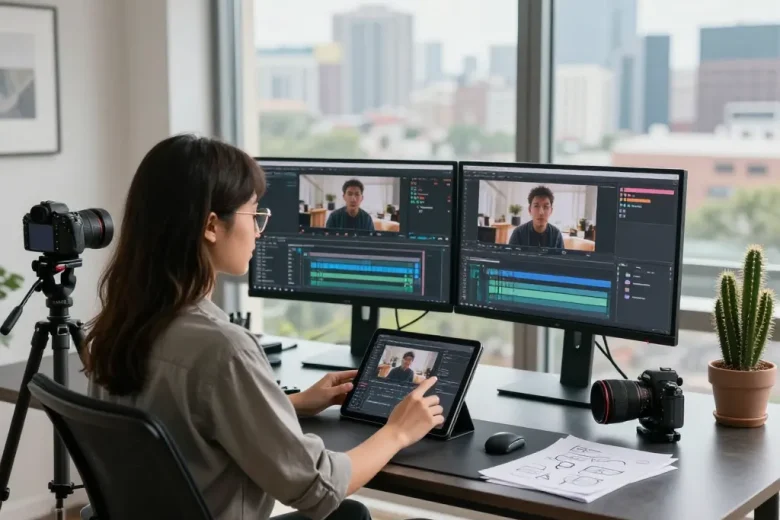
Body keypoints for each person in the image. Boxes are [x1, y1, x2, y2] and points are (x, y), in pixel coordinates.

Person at [82, 135, 443, 520]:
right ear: (210, 225)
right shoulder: (222, 349)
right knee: (349, 514)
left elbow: (183, 423)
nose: (259, 231)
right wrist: (398, 432)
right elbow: (317, 488)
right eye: (254, 215)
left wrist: (291, 404)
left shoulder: (115, 328)